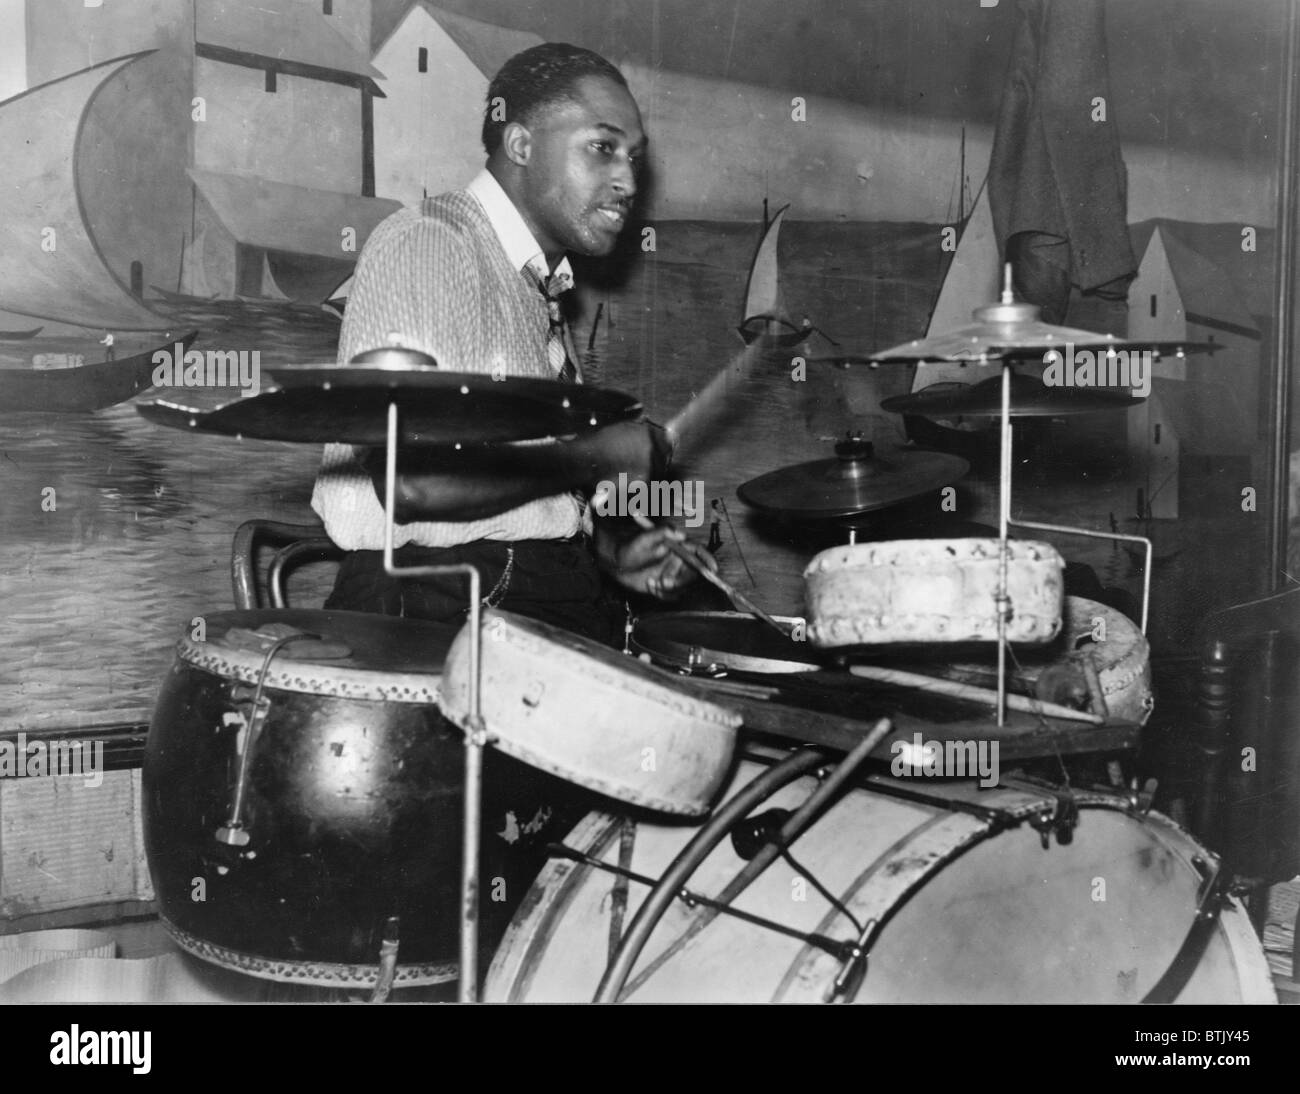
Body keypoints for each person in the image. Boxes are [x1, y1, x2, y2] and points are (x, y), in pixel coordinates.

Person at [312, 43, 710, 646]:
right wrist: (600, 453)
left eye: (633, 157)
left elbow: (527, 496)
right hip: (434, 616)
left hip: (523, 600)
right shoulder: (431, 243)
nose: (628, 180)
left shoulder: (538, 285)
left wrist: (608, 553)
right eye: (603, 147)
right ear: (521, 145)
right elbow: (410, 483)